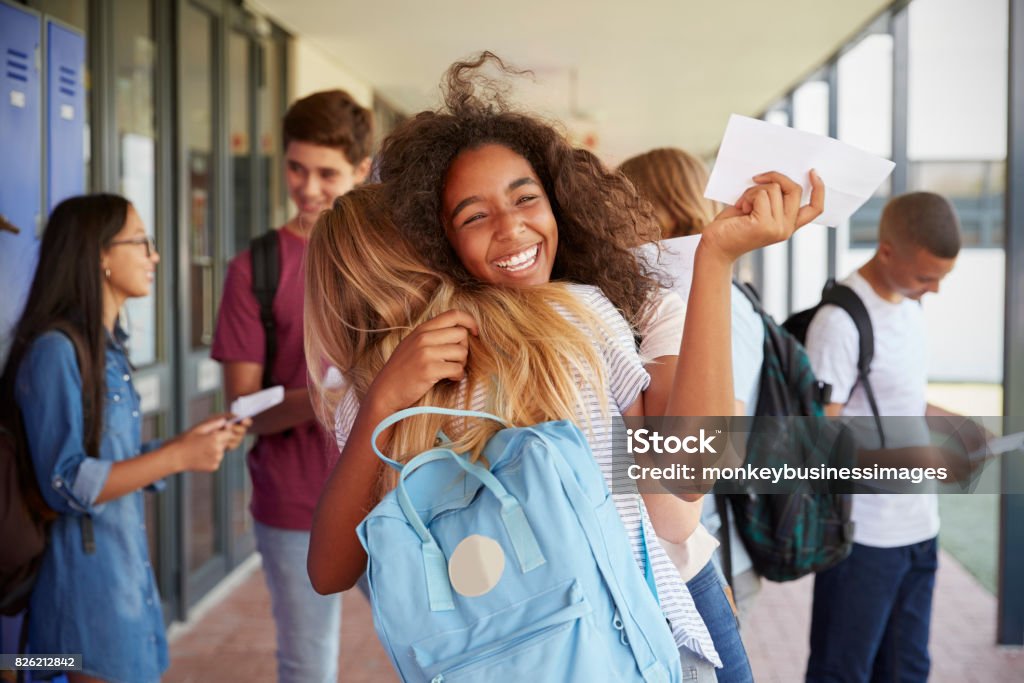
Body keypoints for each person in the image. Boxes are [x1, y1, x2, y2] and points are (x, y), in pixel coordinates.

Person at [308, 52, 823, 681]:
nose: (511, 227)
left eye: (526, 198)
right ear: (437, 241)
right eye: (472, 216)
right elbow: (690, 474)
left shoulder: (569, 318)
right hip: (631, 645)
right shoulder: (563, 320)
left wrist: (714, 262)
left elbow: (684, 477)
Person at [0, 194, 248, 683]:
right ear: (99, 255)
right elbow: (67, 483)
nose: (154, 256)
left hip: (124, 576)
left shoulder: (109, 350)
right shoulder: (55, 351)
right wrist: (177, 456)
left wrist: (184, 446)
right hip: (85, 594)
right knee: (48, 667)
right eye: (142, 242)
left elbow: (112, 462)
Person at [211, 89, 372, 683]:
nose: (307, 188)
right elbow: (242, 410)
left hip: (390, 493)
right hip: (295, 504)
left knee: (439, 652)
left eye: (326, 173)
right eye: (296, 168)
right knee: (309, 666)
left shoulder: (382, 258)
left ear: (360, 170)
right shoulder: (256, 268)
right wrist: (342, 395)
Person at [803, 191, 980, 682]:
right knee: (843, 671)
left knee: (908, 669)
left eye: (943, 277)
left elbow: (897, 400)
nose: (936, 290)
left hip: (919, 531)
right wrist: (917, 457)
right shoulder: (839, 323)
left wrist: (952, 424)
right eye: (927, 277)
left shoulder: (909, 305)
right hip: (863, 541)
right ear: (886, 251)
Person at [620, 147, 764, 682]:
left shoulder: (708, 297)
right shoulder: (647, 296)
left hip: (702, 545)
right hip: (678, 547)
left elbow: (725, 444)